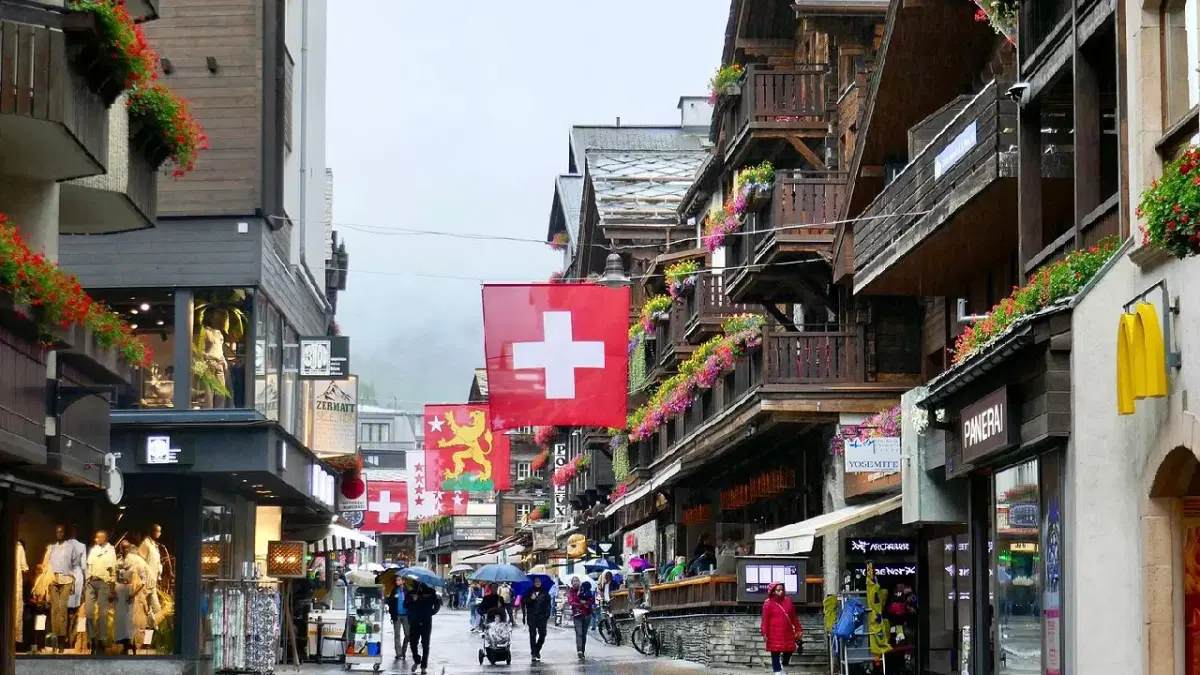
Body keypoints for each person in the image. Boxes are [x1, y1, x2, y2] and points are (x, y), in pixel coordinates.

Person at [760, 582, 802, 675]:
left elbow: (793, 617)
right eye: (778, 590)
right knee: (775, 651)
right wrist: (764, 632)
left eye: (782, 589)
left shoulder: (788, 601)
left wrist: (799, 629)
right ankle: (777, 671)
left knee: (790, 649)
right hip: (773, 632)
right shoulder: (768, 603)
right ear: (773, 591)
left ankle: (784, 663)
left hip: (787, 632)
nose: (781, 591)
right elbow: (765, 620)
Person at [403, 583, 441, 675]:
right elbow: (405, 605)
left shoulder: (431, 592)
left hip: (425, 621)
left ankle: (424, 666)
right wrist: (413, 600)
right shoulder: (412, 592)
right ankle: (417, 659)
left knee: (425, 643)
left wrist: (431, 612)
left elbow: (437, 604)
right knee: (413, 643)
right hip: (415, 621)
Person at [524, 576, 552, 663]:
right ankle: (533, 653)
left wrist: (547, 615)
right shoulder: (529, 590)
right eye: (536, 581)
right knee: (532, 635)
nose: (537, 582)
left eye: (539, 581)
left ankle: (537, 650)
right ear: (533, 582)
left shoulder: (544, 591)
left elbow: (548, 604)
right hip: (532, 616)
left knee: (543, 634)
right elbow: (524, 602)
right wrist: (530, 599)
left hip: (542, 617)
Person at [566, 577, 595, 660]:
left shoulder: (584, 589)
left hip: (587, 614)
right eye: (574, 581)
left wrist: (587, 603)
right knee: (579, 633)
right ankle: (579, 651)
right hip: (577, 614)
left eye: (577, 581)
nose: (575, 583)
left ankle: (582, 650)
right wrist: (581, 604)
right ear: (572, 583)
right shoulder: (571, 592)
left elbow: (592, 599)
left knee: (584, 633)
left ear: (579, 582)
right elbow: (571, 602)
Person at [387, 579, 410, 662]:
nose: (397, 581)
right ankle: (398, 653)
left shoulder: (407, 591)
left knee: (408, 634)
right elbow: (389, 602)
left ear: (403, 581)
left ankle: (403, 651)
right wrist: (393, 598)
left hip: (406, 615)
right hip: (397, 615)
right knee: (397, 634)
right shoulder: (394, 591)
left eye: (399, 580)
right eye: (396, 580)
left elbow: (411, 602)